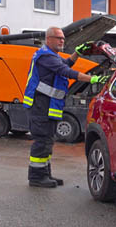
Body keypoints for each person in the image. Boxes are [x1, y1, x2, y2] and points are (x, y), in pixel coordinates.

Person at [24, 26, 107, 188]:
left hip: (44, 106)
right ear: (49, 39)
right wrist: (93, 79)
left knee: (47, 141)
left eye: (63, 38)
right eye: (59, 38)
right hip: (40, 106)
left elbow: (66, 63)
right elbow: (65, 71)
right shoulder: (45, 57)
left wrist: (77, 53)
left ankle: (44, 174)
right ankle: (36, 177)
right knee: (42, 142)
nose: (62, 40)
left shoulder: (51, 56)